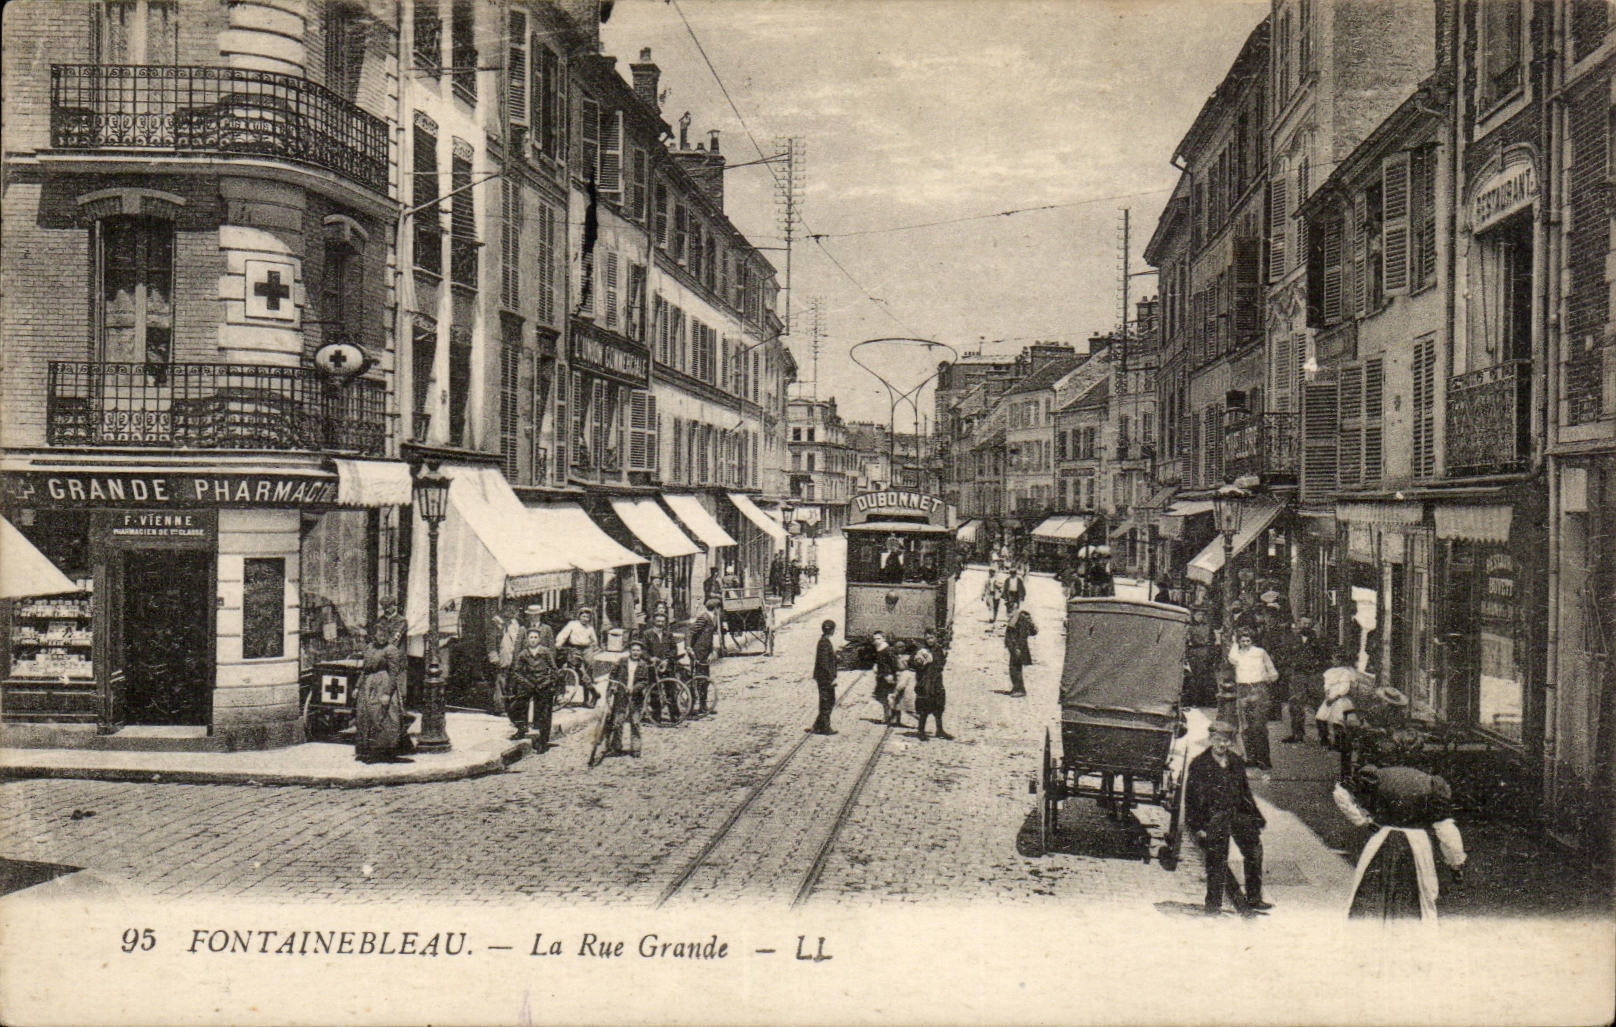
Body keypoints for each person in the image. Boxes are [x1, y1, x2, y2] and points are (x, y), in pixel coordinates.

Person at [1334, 764, 1467, 922]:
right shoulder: (1431, 785)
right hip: (1417, 844)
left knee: (1371, 896)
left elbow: (1341, 793)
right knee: (1419, 899)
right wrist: (1455, 863)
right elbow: (1447, 831)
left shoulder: (1377, 777)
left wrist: (1362, 820)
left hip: (1381, 839)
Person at [1184, 720, 1269, 916]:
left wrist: (1256, 818)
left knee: (1254, 852)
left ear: (1230, 742)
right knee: (1217, 860)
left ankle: (1254, 898)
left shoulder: (1236, 762)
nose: (1222, 744)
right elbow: (1191, 798)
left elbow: (1245, 792)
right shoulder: (1199, 764)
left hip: (1238, 814)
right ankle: (1213, 905)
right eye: (1218, 740)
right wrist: (1198, 827)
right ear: (1210, 739)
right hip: (1215, 817)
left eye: (1226, 741)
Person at [1227, 630, 1278, 770]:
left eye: (1248, 640)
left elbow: (1272, 671)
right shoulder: (1236, 654)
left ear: (1252, 641)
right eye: (1242, 641)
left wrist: (1266, 680)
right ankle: (1251, 758)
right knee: (1245, 726)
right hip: (1242, 690)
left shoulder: (1260, 652)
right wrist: (1234, 643)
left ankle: (1264, 760)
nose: (1245, 643)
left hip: (1258, 689)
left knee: (1259, 725)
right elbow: (1231, 659)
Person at [355, 633, 407, 764]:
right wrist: (357, 686)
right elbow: (364, 670)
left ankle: (384, 751)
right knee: (365, 715)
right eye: (379, 634)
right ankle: (367, 750)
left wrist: (388, 693)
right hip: (368, 685)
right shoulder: (370, 647)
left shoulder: (391, 649)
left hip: (383, 684)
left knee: (383, 717)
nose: (381, 637)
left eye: (384, 635)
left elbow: (394, 673)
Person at [596, 639, 649, 762]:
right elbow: (613, 675)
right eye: (633, 650)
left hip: (635, 698)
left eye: (638, 650)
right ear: (629, 651)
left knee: (635, 722)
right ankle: (616, 747)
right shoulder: (622, 662)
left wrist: (634, 688)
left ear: (641, 652)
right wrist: (613, 686)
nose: (635, 652)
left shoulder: (643, 665)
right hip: (621, 696)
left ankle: (636, 749)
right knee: (618, 722)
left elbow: (644, 681)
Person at [507, 627, 557, 750]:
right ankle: (521, 728)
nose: (533, 640)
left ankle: (543, 741)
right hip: (528, 684)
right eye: (531, 637)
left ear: (539, 639)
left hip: (543, 684)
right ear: (527, 639)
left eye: (535, 637)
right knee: (515, 707)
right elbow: (516, 672)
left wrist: (548, 682)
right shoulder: (523, 654)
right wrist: (526, 683)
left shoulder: (545, 652)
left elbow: (554, 669)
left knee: (544, 713)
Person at [554, 607, 601, 707]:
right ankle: (594, 692)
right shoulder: (572, 624)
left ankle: (586, 700)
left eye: (587, 617)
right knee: (579, 670)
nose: (585, 619)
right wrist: (559, 643)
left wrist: (594, 648)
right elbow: (563, 634)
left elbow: (595, 641)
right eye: (583, 616)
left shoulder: (590, 628)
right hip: (575, 649)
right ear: (579, 616)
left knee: (588, 671)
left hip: (587, 650)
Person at [639, 611, 678, 723]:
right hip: (653, 667)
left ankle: (674, 716)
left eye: (662, 621)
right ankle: (657, 716)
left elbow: (674, 649)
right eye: (658, 621)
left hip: (667, 666)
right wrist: (650, 658)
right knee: (655, 692)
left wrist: (667, 660)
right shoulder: (647, 634)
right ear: (654, 622)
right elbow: (643, 650)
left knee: (671, 691)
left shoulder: (668, 635)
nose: (660, 624)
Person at [913, 629, 952, 740]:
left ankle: (939, 730)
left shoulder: (938, 650)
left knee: (939, 706)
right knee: (924, 707)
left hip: (937, 681)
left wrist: (943, 658)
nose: (930, 640)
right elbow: (913, 663)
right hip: (925, 682)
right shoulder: (921, 650)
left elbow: (941, 665)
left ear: (935, 638)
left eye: (932, 638)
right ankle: (921, 731)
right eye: (927, 638)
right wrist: (919, 662)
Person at [489, 602, 524, 713]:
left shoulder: (515, 623)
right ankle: (500, 707)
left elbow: (518, 639)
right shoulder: (496, 623)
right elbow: (491, 642)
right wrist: (493, 656)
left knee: (512, 681)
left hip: (514, 656)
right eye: (508, 609)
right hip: (502, 656)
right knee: (501, 681)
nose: (511, 612)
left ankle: (511, 707)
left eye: (513, 610)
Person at [687, 598, 719, 715]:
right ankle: (693, 706)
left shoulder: (712, 618)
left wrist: (711, 651)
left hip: (705, 653)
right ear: (716, 609)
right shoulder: (704, 617)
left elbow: (709, 638)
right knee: (699, 679)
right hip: (698, 653)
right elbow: (690, 631)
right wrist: (688, 647)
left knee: (705, 679)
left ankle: (703, 706)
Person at [810, 619, 839, 735]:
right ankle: (825, 727)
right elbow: (824, 663)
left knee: (828, 700)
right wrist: (831, 678)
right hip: (825, 677)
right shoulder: (824, 643)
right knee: (827, 701)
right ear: (832, 630)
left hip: (823, 676)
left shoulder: (824, 641)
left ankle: (818, 725)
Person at [1005, 606, 1037, 697]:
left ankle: (1020, 690)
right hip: (1015, 648)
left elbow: (1022, 636)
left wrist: (1017, 648)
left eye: (1010, 610)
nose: (1008, 613)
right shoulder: (1015, 619)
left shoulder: (1019, 619)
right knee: (1013, 669)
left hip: (1018, 648)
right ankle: (1016, 688)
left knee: (1016, 669)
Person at [871, 631, 899, 722]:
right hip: (881, 676)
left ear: (884, 639)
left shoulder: (887, 649)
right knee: (881, 696)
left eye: (879, 639)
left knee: (889, 697)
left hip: (888, 676)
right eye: (875, 639)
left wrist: (892, 674)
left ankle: (892, 716)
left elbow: (894, 663)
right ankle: (887, 715)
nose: (876, 641)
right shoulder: (878, 649)